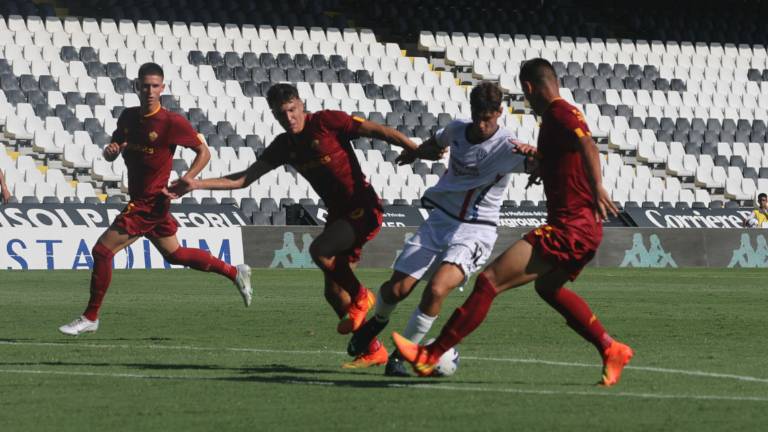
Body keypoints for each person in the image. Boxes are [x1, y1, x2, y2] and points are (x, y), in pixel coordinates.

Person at [393, 58, 634, 387]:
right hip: (584, 230)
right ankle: (610, 348)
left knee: (489, 282)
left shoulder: (560, 112)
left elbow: (587, 145)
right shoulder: (551, 121)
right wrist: (543, 165)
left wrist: (598, 187)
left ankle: (431, 354)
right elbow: (567, 159)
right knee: (548, 288)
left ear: (529, 88)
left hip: (569, 228)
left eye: (526, 95)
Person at [167, 83, 443, 367]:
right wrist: (196, 184)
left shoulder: (325, 121)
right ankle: (371, 349)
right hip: (339, 216)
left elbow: (378, 131)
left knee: (320, 251)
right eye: (281, 114)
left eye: (291, 110)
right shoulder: (285, 146)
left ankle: (362, 295)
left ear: (301, 105)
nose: (288, 118)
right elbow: (243, 179)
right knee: (334, 292)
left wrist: (415, 149)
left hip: (364, 208)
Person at [58, 62, 252, 336]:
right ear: (138, 86)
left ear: (162, 88)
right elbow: (113, 150)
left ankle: (91, 317)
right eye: (145, 85)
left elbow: (204, 152)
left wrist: (190, 178)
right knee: (175, 254)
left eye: (155, 86)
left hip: (150, 202)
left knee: (102, 251)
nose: (150, 91)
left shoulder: (172, 122)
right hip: (145, 201)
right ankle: (235, 272)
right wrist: (110, 152)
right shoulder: (128, 118)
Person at [346, 82, 526, 376]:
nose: (482, 124)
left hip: (476, 230)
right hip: (441, 220)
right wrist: (417, 153)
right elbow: (437, 142)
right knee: (396, 289)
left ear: (499, 113)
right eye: (477, 116)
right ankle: (376, 323)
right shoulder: (458, 129)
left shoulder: (509, 146)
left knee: (437, 288)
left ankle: (398, 358)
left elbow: (540, 164)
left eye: (488, 118)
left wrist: (537, 161)